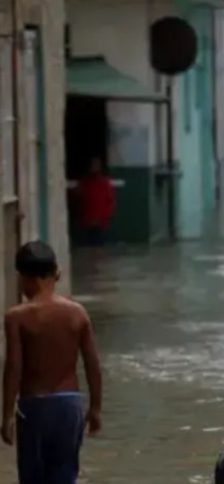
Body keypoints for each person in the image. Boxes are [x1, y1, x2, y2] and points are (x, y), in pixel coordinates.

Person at [2, 241, 103, 484]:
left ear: (22, 278)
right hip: (69, 406)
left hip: (33, 408)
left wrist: (6, 415)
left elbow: (13, 367)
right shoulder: (77, 313)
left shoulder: (16, 317)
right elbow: (92, 364)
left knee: (32, 477)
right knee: (65, 474)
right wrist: (95, 408)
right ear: (57, 273)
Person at [76, 156, 116, 246]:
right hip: (86, 223)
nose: (94, 167)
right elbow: (79, 201)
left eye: (96, 165)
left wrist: (103, 219)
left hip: (100, 223)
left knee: (98, 247)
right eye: (92, 165)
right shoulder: (84, 182)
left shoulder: (105, 183)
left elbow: (110, 203)